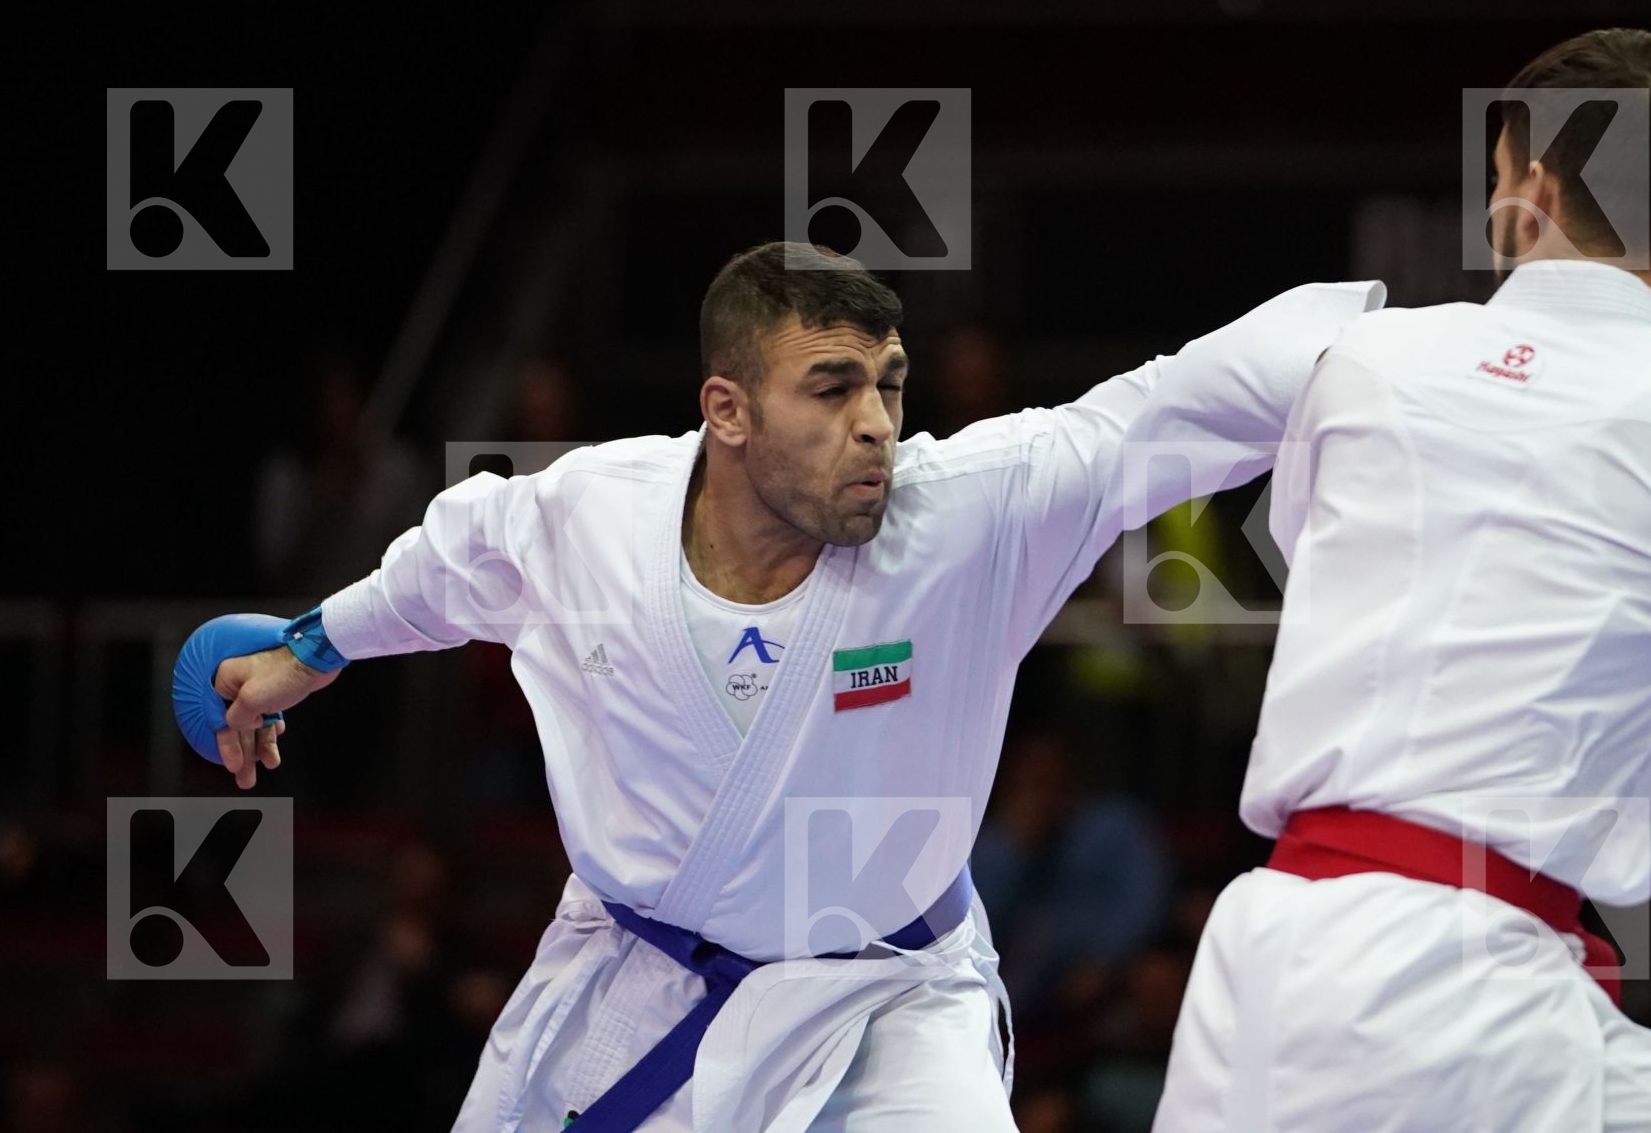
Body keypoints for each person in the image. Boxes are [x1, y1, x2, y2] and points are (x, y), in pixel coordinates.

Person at [191, 240, 1383, 1131]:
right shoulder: (589, 514)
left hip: (889, 1006)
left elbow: (1174, 404)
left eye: (890, 384)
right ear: (729, 411)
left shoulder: (969, 513)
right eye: (831, 387)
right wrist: (314, 645)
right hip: (635, 986)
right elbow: (450, 559)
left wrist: (1444, 359)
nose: (876, 425)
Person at [1155, 29, 1651, 1130]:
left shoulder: (1368, 359)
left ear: (1533, 186)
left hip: (1284, 948)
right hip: (1466, 985)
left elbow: (1328, 557)